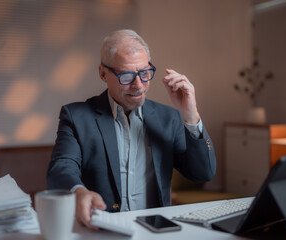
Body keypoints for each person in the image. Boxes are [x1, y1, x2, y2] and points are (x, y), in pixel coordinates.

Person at [47, 29, 216, 229]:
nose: (139, 85)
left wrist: (190, 115)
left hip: (155, 231)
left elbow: (203, 173)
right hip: (101, 230)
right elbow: (61, 168)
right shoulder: (76, 116)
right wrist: (78, 192)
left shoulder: (168, 118)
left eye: (145, 73)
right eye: (126, 76)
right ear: (103, 73)